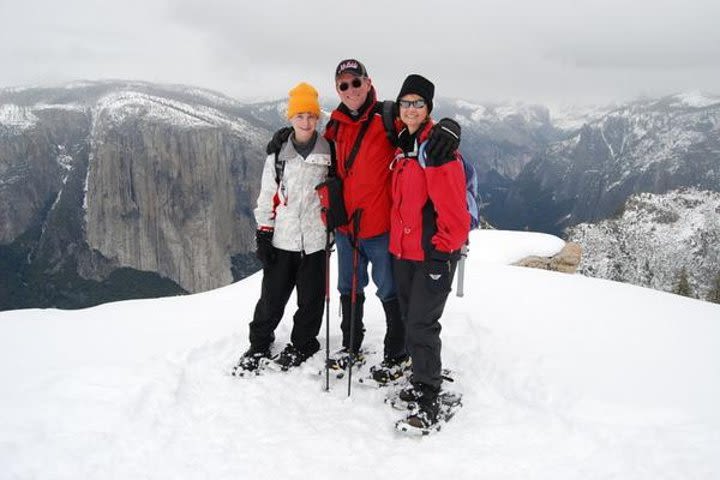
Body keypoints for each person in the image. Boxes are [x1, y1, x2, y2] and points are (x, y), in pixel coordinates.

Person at [266, 60, 461, 384]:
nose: (351, 90)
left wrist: (450, 127)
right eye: (343, 85)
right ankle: (351, 347)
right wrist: (286, 135)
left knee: (389, 290)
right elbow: (310, 141)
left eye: (356, 83)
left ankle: (396, 353)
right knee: (348, 288)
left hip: (383, 228)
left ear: (368, 83)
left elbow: (421, 126)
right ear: (338, 90)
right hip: (346, 230)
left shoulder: (388, 117)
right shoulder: (335, 127)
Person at [233, 82, 332, 375]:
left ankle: (304, 343)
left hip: (315, 241)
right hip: (283, 239)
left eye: (311, 115)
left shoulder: (330, 152)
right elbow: (268, 194)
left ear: (318, 118)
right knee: (272, 298)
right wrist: (264, 232)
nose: (306, 121)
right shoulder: (277, 155)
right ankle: (259, 344)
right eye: (300, 115)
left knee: (311, 300)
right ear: (290, 118)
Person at [388, 74, 470, 430]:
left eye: (418, 103)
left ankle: (428, 393)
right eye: (405, 103)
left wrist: (442, 251)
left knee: (422, 323)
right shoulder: (403, 144)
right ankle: (422, 375)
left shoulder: (436, 149)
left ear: (428, 108)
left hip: (433, 253)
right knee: (410, 317)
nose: (410, 109)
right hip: (404, 252)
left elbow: (454, 212)